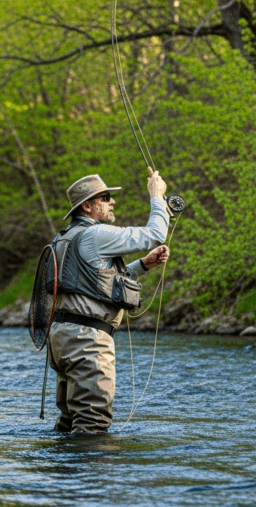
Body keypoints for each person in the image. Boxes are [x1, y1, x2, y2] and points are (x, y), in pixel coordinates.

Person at [47, 169, 170, 435]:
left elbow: (94, 283)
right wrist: (156, 196)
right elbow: (155, 233)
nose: (112, 201)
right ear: (88, 206)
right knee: (92, 422)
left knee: (70, 421)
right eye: (105, 197)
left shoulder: (64, 237)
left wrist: (143, 265)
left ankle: (61, 475)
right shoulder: (97, 235)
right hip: (87, 341)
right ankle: (93, 477)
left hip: (61, 338)